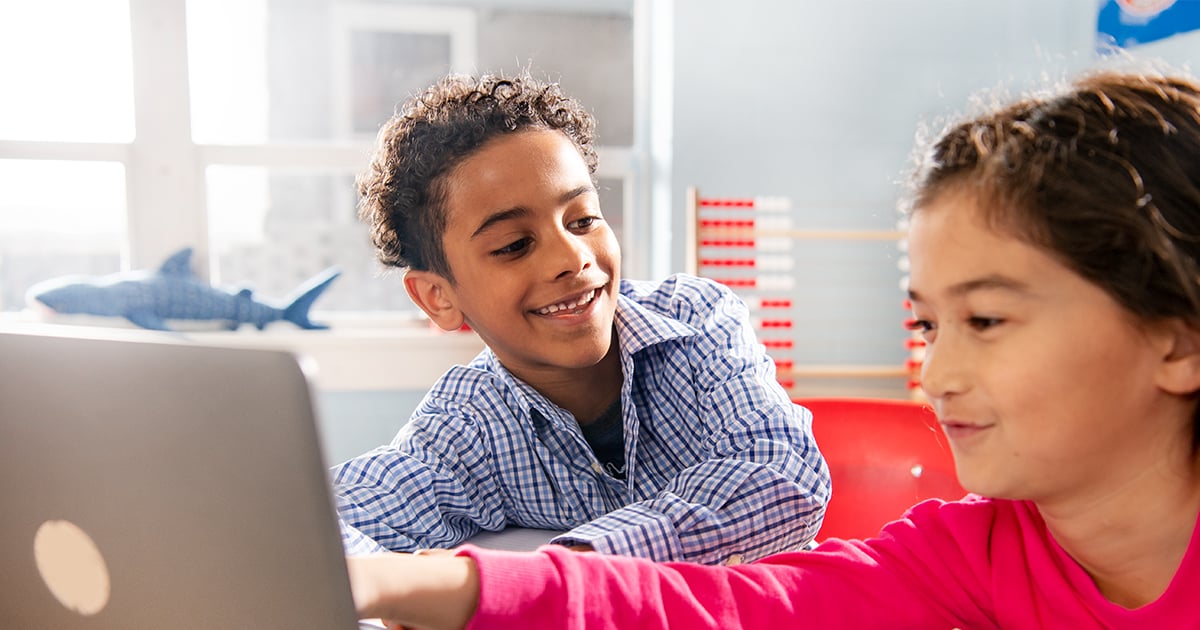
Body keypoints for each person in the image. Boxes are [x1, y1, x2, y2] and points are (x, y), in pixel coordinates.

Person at [344, 68, 1200, 629]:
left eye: (984, 321)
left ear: (1179, 339)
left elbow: (774, 484)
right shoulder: (964, 556)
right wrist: (430, 582)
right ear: (438, 297)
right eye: (928, 327)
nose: (935, 377)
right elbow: (728, 604)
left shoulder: (697, 325)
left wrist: (519, 563)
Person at [333, 71, 831, 566]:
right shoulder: (468, 428)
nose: (571, 258)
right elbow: (318, 524)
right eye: (514, 245)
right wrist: (405, 591)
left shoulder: (696, 323)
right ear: (438, 296)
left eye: (583, 219)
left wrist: (568, 566)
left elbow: (783, 478)